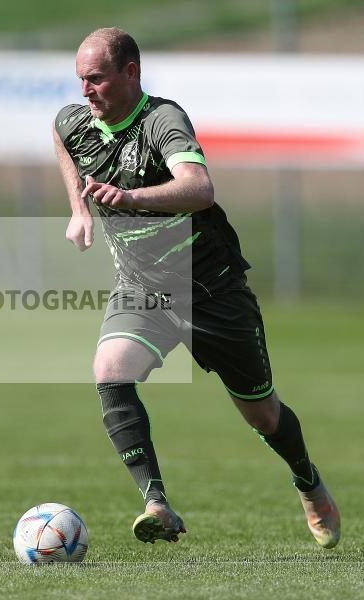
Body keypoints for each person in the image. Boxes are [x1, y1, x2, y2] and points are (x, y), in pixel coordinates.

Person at [52, 27, 340, 548]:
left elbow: (199, 188)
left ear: (131, 73)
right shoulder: (77, 120)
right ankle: (156, 502)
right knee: (109, 370)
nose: (85, 90)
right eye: (80, 79)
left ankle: (307, 480)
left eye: (95, 79)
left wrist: (131, 198)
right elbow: (61, 137)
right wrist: (78, 209)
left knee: (263, 414)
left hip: (211, 291)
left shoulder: (163, 119)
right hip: (140, 288)